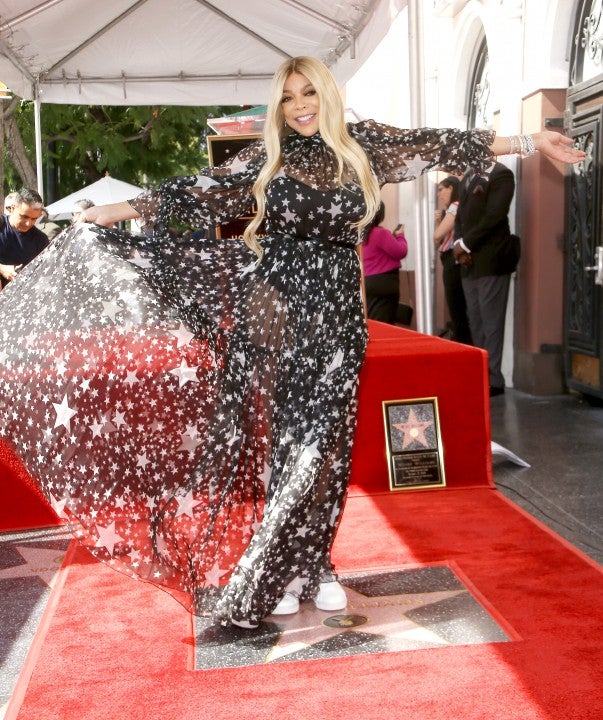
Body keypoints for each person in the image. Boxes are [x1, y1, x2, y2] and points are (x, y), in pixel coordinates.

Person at [0, 56, 585, 629]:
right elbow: (195, 190)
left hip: (336, 317)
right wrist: (114, 210)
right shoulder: (267, 158)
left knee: (327, 447)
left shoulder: (364, 145)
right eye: (288, 97)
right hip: (276, 315)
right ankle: (283, 570)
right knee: (289, 447)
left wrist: (533, 141)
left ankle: (312, 566)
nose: (300, 106)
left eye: (309, 93)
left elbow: (442, 142)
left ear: (326, 95)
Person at [453, 161, 517, 396]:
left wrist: (466, 244)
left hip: (492, 259)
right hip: (468, 263)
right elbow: (459, 215)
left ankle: (494, 379)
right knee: (476, 320)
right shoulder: (468, 176)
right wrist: (459, 244)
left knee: (491, 322)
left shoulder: (501, 175)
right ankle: (479, 374)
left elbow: (495, 215)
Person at [433, 176, 472, 344]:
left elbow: (437, 236)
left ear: (451, 188)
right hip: (450, 259)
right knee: (457, 308)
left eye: (441, 189)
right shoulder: (453, 209)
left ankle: (464, 344)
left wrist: (439, 226)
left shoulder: (455, 207)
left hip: (453, 261)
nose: (439, 195)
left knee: (457, 309)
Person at [362, 201, 408, 324]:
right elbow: (400, 251)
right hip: (385, 283)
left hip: (367, 282)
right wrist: (400, 236)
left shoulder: (361, 235)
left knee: (372, 323)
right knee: (385, 324)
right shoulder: (380, 233)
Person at [0, 187, 48, 289]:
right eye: (24, 216)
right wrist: (2, 269)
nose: (28, 223)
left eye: (34, 219)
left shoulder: (41, 240)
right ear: (12, 208)